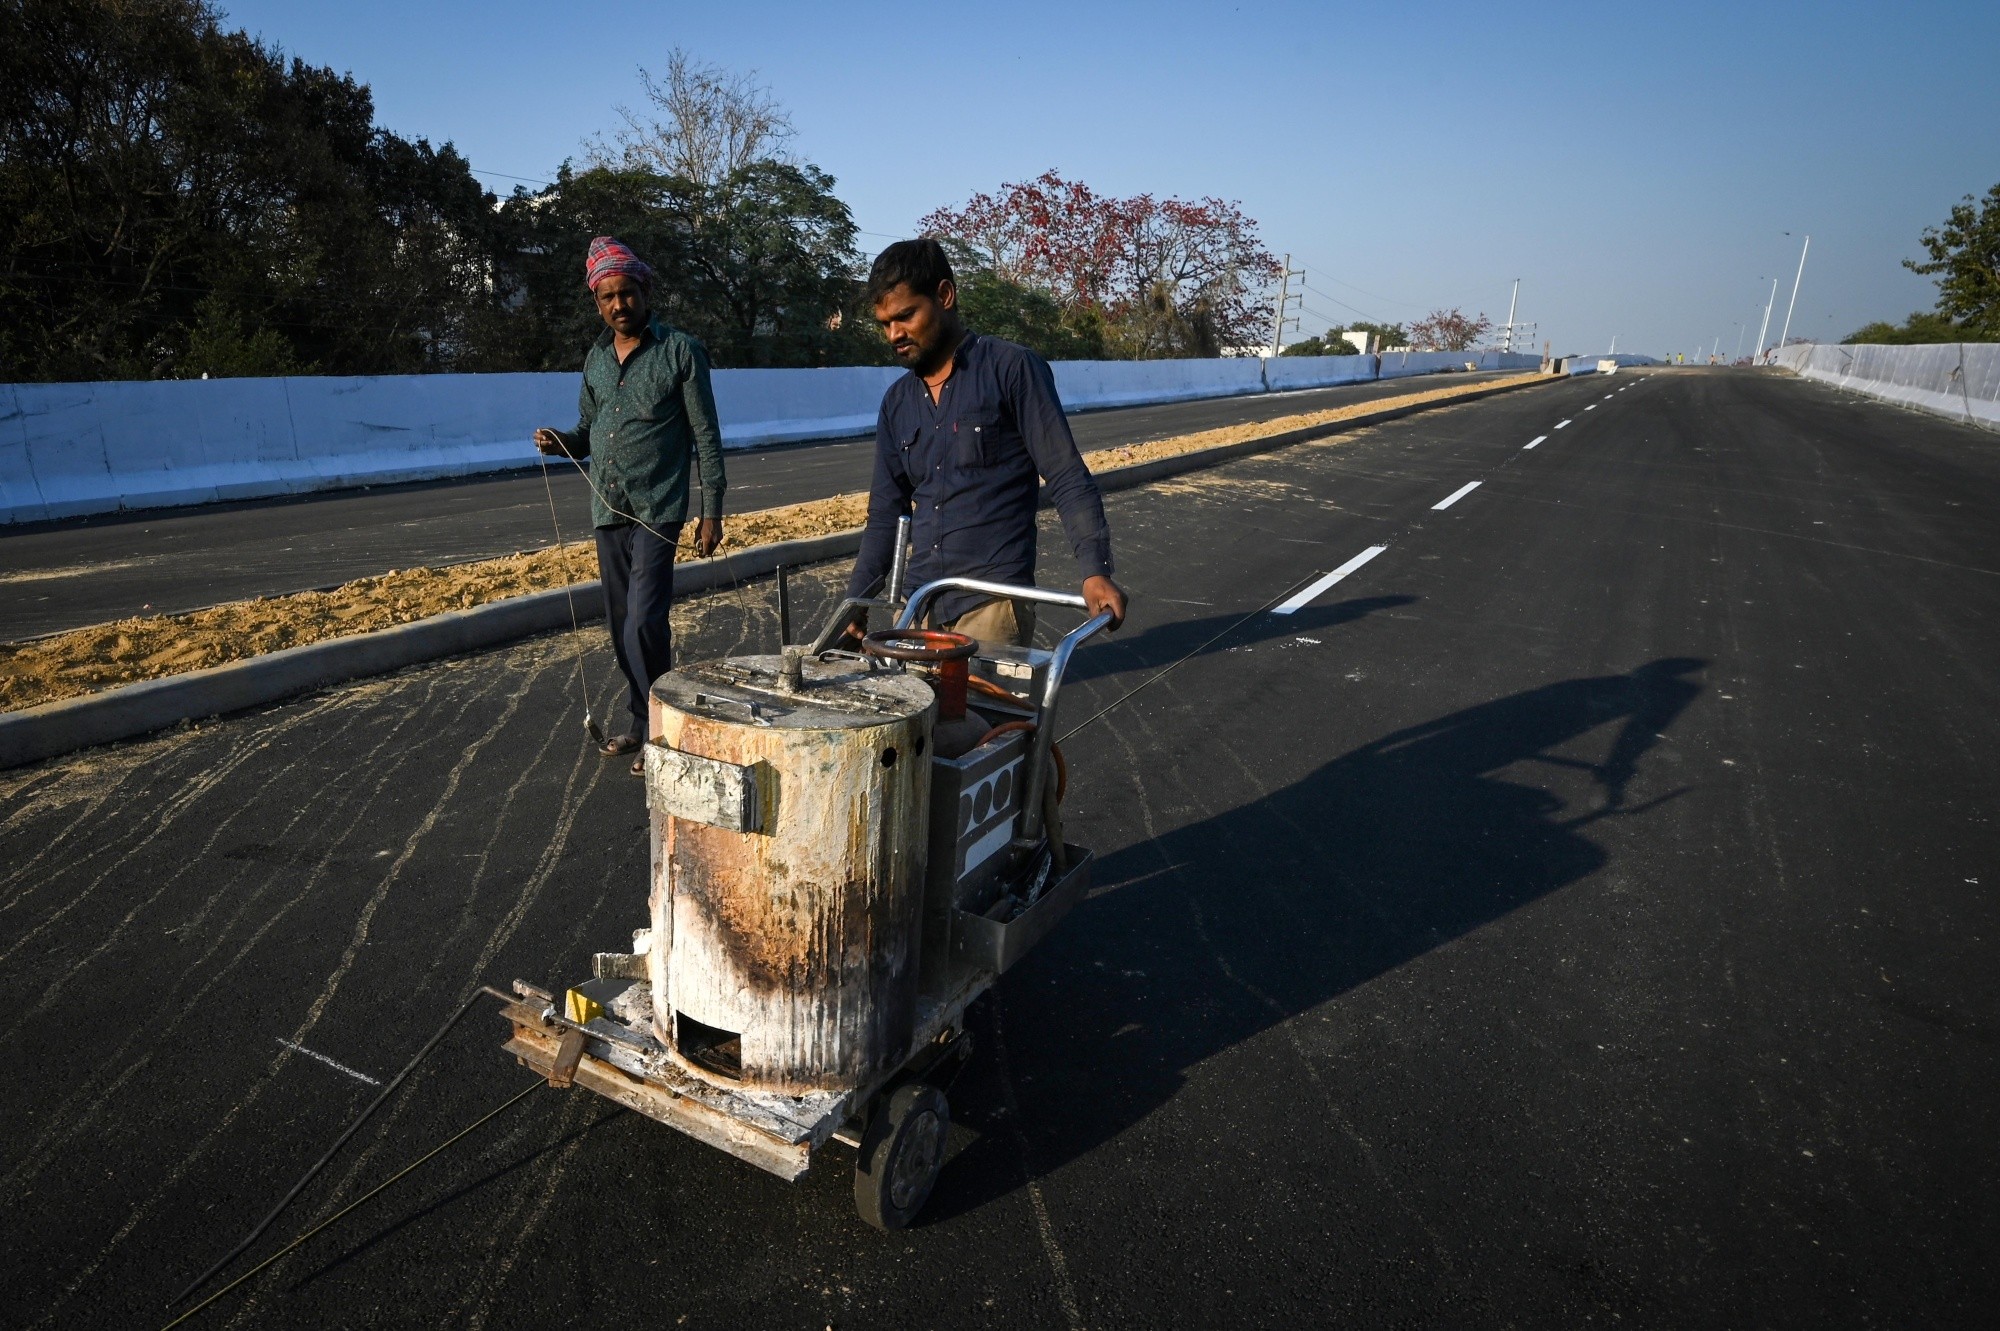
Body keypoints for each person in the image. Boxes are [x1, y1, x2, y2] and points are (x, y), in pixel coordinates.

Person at [845, 239, 1127, 649]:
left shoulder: (1011, 369)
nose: (894, 334)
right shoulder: (897, 403)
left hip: (991, 604)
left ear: (944, 295)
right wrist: (856, 601)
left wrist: (1095, 570)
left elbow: (1066, 474)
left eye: (905, 316)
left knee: (983, 696)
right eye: (884, 324)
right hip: (917, 608)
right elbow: (886, 514)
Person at [535, 236, 726, 774]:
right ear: (597, 301)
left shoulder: (680, 351)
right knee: (621, 624)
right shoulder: (596, 358)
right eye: (607, 297)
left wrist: (712, 509)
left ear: (645, 291)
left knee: (644, 621)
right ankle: (643, 723)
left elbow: (705, 435)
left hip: (659, 507)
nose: (619, 304)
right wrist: (560, 441)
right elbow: (587, 433)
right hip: (609, 507)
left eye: (627, 293)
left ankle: (662, 734)